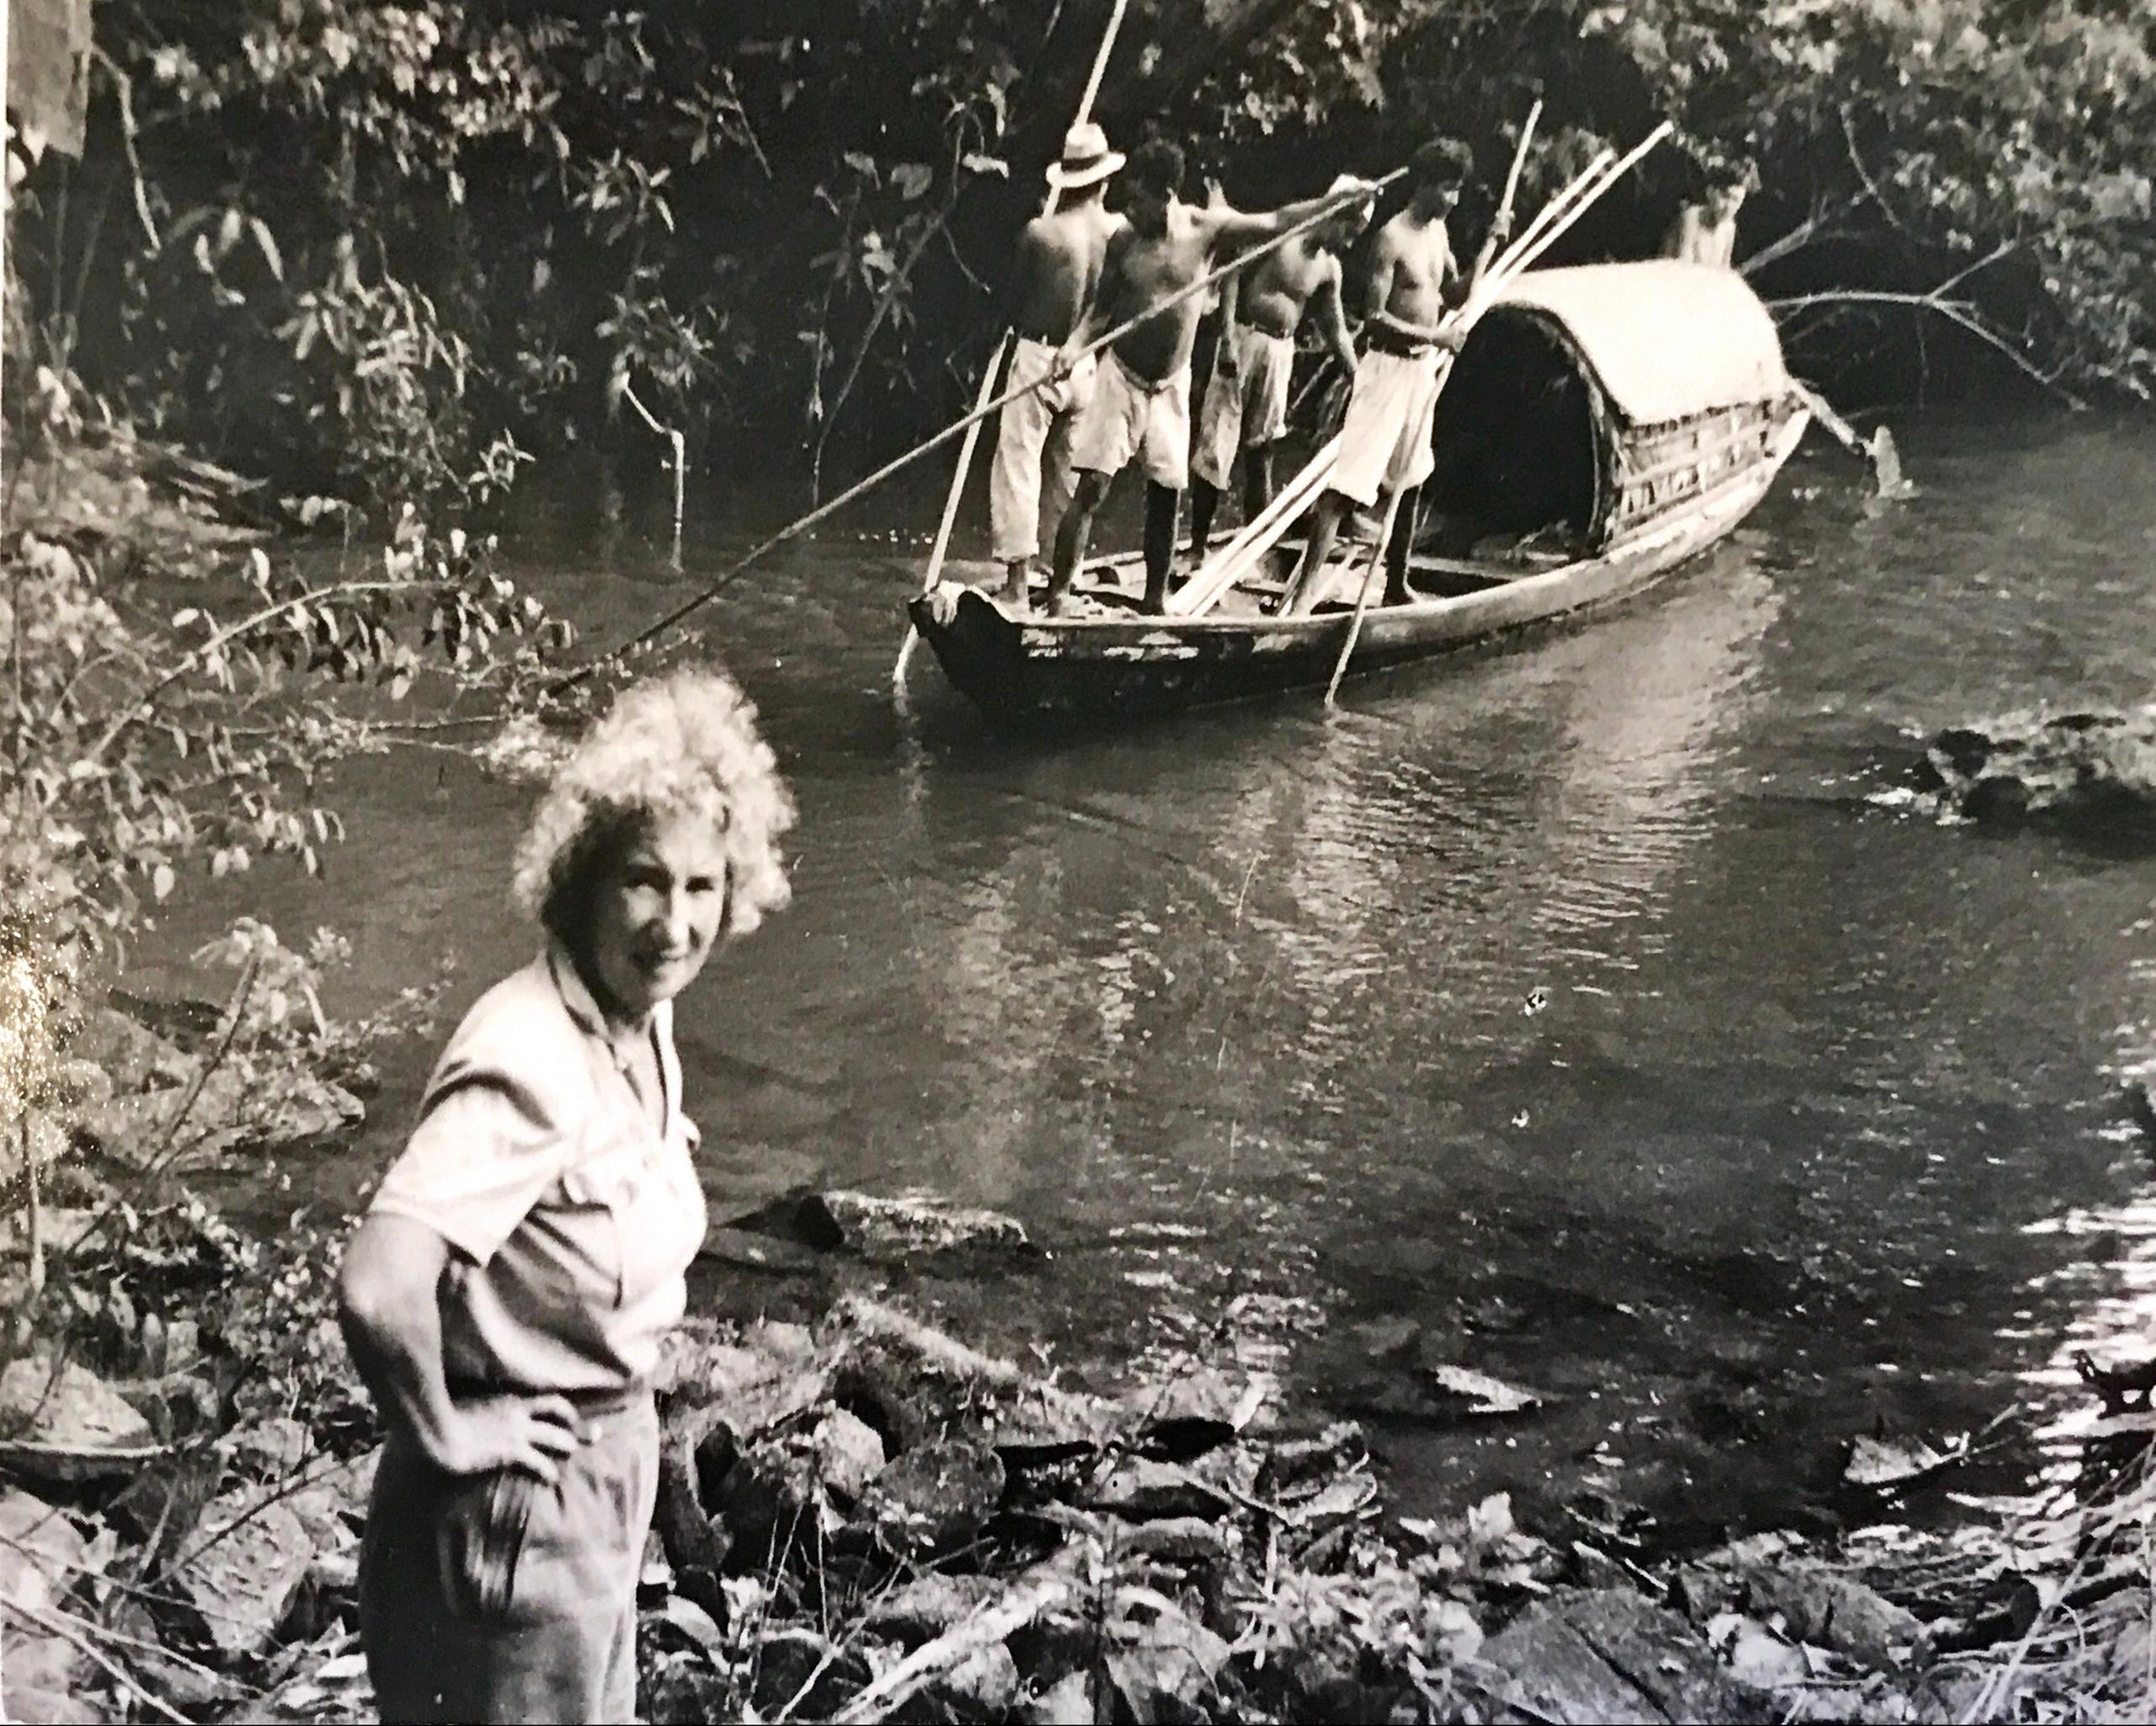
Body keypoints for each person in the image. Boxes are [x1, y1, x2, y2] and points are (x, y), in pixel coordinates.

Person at [338, 669, 795, 1724]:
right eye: (643, 880)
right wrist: (450, 1434)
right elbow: (378, 1282)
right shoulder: (529, 1056)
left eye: (701, 886)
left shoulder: (637, 1024)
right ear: (583, 877)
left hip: (594, 1485)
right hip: (510, 1514)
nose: (674, 923)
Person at [1044, 141, 1375, 617]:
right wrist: (1074, 346)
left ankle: (1155, 602)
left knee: (1166, 491)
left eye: (1137, 200)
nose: (1128, 210)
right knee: (1092, 488)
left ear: (1166, 195)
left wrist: (1333, 204)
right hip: (1122, 376)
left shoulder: (1205, 230)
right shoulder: (1123, 241)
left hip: (1171, 384)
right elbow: (1100, 312)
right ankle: (1058, 597)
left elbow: (1278, 220)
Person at [1282, 139, 1484, 615]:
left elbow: (1453, 295)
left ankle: (1397, 581)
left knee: (1411, 478)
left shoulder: (1439, 233)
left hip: (1420, 373)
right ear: (1427, 185)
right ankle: (1304, 596)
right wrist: (1436, 340)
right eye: (1449, 189)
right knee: (1349, 484)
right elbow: (1373, 317)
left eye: (1457, 191)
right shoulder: (1390, 238)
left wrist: (1484, 255)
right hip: (1387, 369)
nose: (1454, 200)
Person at [1186, 175, 1369, 557]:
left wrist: (1361, 379)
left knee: (1263, 446)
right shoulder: (1284, 238)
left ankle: (1257, 545)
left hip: (1280, 352)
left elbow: (1335, 329)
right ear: (1336, 217)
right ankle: (1197, 546)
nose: (1350, 243)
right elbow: (1234, 273)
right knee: (1216, 447)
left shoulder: (1329, 269)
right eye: (1350, 232)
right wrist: (1227, 339)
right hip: (1244, 339)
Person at [989, 122, 1128, 610]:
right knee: (1070, 472)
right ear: (1103, 182)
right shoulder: (1120, 234)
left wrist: (996, 339)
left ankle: (1018, 587)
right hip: (1088, 361)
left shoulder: (1042, 233)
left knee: (1019, 466)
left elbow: (1013, 302)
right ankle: (1059, 579)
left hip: (1041, 356)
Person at [1661, 158, 1757, 268]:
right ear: (1710, 192)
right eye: (1725, 197)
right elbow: (1684, 269)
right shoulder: (1693, 217)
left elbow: (1724, 271)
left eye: (1736, 201)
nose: (1729, 207)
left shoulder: (1729, 228)